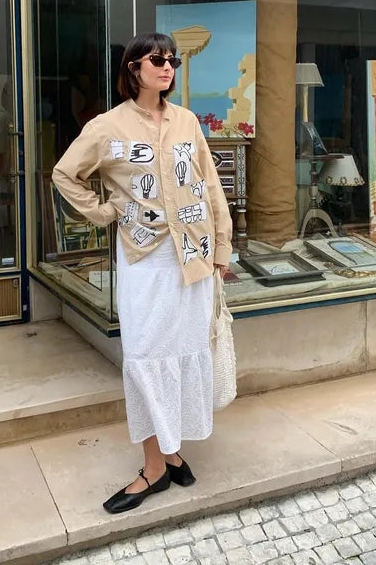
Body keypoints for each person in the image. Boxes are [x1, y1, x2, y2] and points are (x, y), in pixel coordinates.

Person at [53, 32, 233, 514]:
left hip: (193, 256)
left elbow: (209, 185)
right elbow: (64, 174)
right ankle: (153, 468)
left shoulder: (187, 121)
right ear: (134, 68)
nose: (167, 67)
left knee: (183, 351)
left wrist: (222, 246)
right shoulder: (107, 126)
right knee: (146, 357)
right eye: (158, 59)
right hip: (146, 261)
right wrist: (103, 212)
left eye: (172, 60)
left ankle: (170, 453)